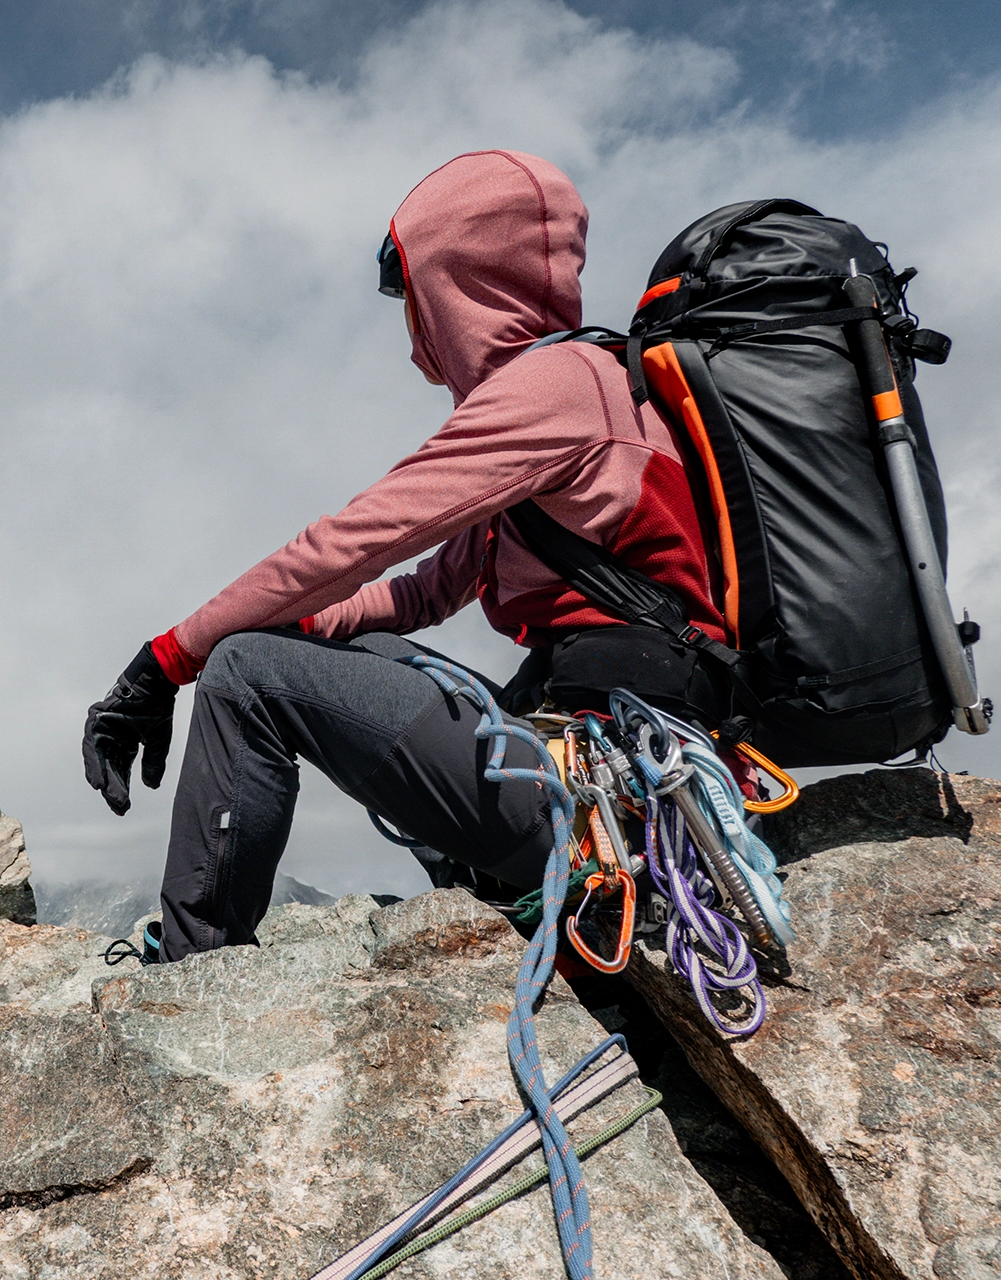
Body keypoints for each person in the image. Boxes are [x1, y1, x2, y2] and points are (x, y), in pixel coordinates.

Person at [81, 150, 729, 964]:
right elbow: (426, 593)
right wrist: (306, 626)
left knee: (243, 670)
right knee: (325, 647)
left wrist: (165, 660)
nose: (410, 324)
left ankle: (191, 968)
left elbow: (352, 543)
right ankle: (491, 886)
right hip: (614, 763)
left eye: (411, 293)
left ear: (458, 279)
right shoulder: (581, 383)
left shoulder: (553, 389)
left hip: (611, 799)